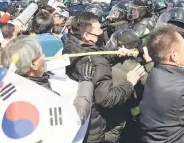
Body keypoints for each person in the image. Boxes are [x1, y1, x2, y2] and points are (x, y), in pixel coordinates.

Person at [62, 12, 146, 143]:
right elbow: (106, 99)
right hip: (93, 127)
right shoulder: (96, 62)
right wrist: (130, 82)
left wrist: (116, 55)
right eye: (98, 31)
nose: (102, 32)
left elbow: (95, 53)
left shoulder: (71, 45)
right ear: (87, 36)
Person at [1, 36, 94, 124]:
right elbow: (75, 118)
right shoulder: (42, 95)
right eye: (40, 54)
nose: (44, 56)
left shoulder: (6, 91)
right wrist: (86, 83)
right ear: (33, 64)